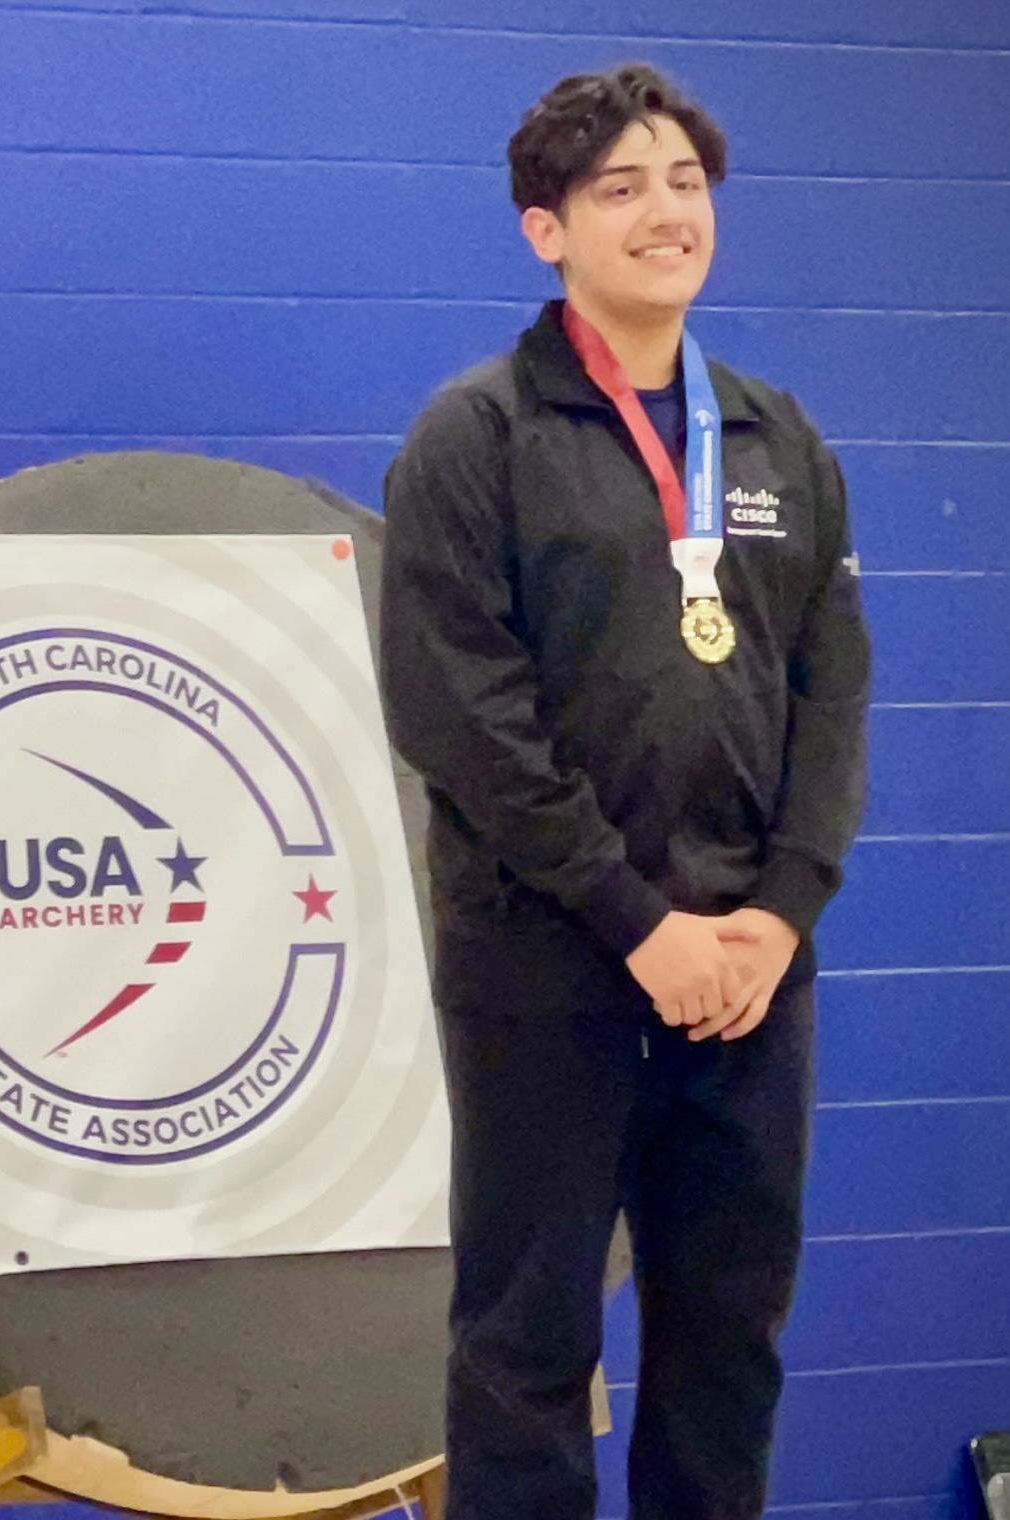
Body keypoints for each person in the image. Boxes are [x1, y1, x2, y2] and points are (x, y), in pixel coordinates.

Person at [377, 64, 869, 1520]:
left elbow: (831, 698)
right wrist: (637, 922)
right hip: (553, 965)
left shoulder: (780, 439)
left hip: (749, 982)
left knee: (728, 1344)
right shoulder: (478, 437)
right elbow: (460, 716)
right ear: (546, 231)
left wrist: (777, 916)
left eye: (685, 183)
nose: (666, 214)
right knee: (528, 1350)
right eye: (620, 189)